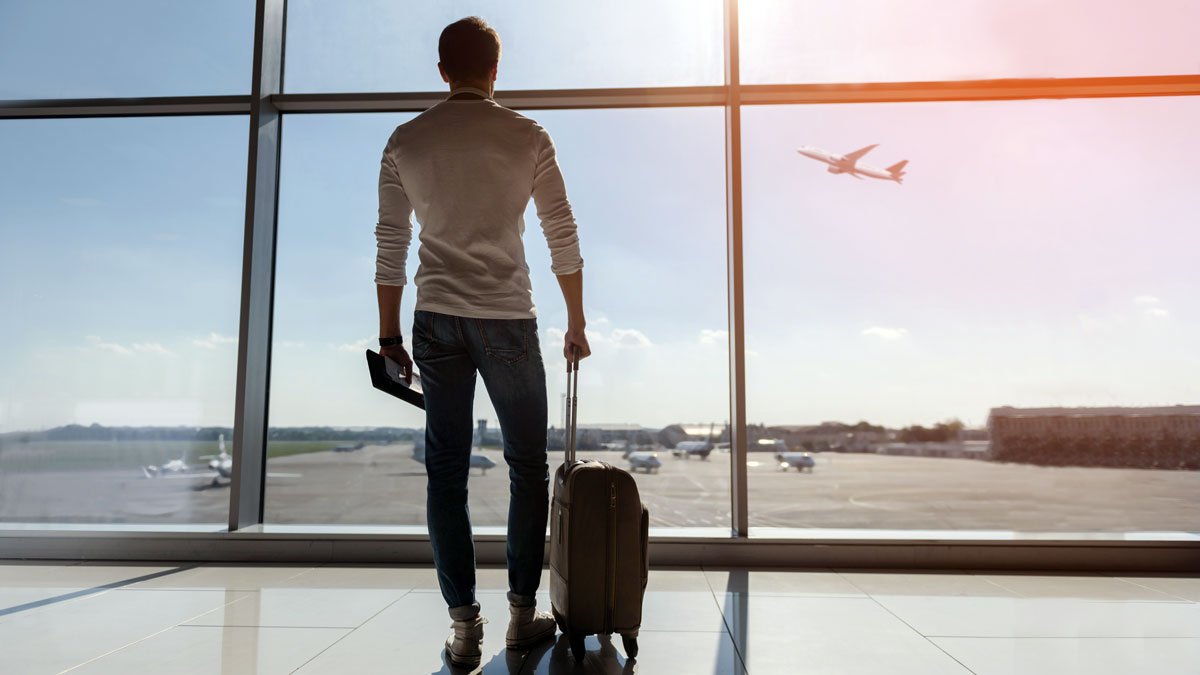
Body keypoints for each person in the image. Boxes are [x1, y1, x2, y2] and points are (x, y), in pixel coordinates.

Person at [373, 16, 591, 669]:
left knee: (446, 471)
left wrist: (388, 333)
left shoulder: (405, 140)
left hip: (434, 317)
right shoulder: (528, 135)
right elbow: (561, 230)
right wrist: (576, 320)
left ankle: (463, 627)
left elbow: (390, 245)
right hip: (507, 317)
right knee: (527, 466)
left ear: (442, 70)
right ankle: (523, 617)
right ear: (497, 70)